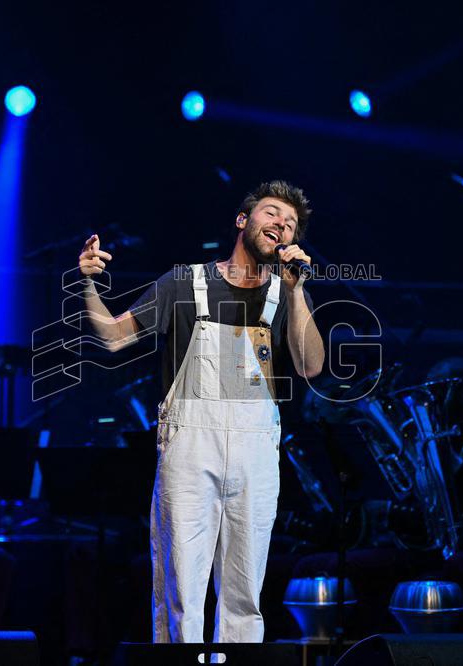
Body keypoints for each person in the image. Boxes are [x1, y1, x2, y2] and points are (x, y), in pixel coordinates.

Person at [78, 180, 325, 643]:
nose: (281, 225)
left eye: (290, 224)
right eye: (272, 213)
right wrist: (88, 282)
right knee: (182, 591)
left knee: (244, 596)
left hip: (255, 450)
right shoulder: (185, 282)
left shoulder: (284, 293)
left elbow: (312, 366)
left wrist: (296, 293)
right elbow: (113, 337)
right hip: (191, 447)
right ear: (242, 220)